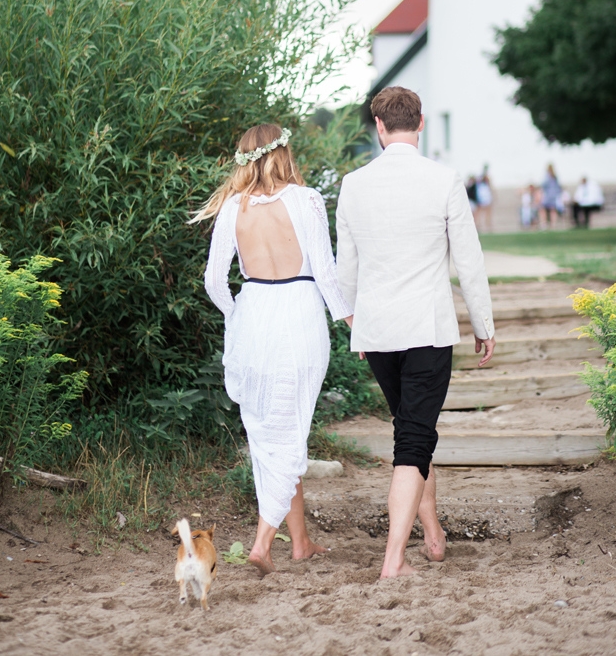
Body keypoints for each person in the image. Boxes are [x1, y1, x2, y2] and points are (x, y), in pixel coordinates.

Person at [336, 86, 495, 579]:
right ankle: (393, 560)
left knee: (412, 431)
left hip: (379, 331)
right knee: (413, 440)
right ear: (420, 123)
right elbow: (468, 261)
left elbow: (347, 268)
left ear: (379, 127)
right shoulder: (444, 179)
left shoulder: (352, 184)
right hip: (426, 329)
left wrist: (354, 324)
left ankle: (433, 534)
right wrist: (482, 324)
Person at [193, 124, 353, 576]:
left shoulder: (231, 208)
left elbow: (212, 281)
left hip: (254, 315)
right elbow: (325, 271)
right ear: (282, 152)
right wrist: (351, 322)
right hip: (298, 314)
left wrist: (237, 315)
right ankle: (264, 542)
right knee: (290, 426)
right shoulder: (306, 200)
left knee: (273, 433)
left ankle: (299, 542)